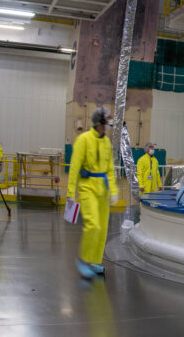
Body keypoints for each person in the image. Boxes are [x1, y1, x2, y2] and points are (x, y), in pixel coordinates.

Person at [67, 107, 118, 280]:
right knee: (93, 225)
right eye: (108, 118)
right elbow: (74, 168)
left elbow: (110, 169)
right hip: (87, 187)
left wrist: (114, 191)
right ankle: (84, 259)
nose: (111, 121)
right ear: (100, 121)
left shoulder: (106, 143)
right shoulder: (83, 140)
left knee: (102, 228)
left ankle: (94, 261)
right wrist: (70, 193)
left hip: (103, 189)